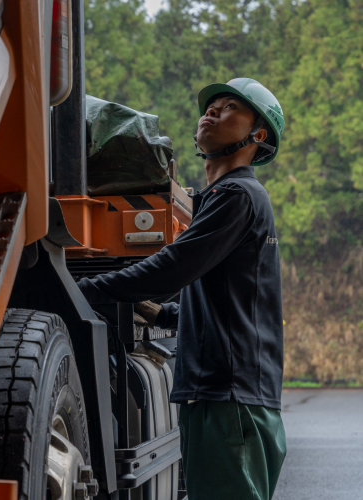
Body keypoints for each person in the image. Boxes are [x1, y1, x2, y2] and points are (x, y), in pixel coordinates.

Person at [77, 78, 287, 500]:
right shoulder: (225, 197)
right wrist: (163, 314)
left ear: (256, 135)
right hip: (225, 395)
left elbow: (172, 269)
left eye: (230, 108)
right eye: (211, 105)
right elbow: (230, 299)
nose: (211, 111)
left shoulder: (237, 194)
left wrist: (82, 290)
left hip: (230, 399)